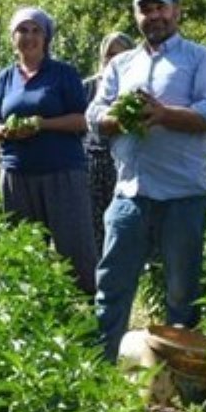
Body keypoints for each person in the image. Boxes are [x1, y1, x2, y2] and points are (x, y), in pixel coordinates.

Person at [88, 0, 206, 362]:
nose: (153, 15)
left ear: (176, 10)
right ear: (136, 15)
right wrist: (120, 117)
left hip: (183, 193)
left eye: (160, 7)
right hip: (130, 191)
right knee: (112, 284)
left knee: (182, 290)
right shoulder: (121, 64)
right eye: (145, 9)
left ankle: (178, 372)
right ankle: (102, 368)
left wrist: (164, 114)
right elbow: (95, 115)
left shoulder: (202, 58)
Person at [0, 6, 97, 294]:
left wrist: (41, 124)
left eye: (36, 30)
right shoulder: (5, 78)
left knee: (75, 252)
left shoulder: (63, 74)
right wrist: (8, 131)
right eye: (22, 30)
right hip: (16, 175)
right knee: (21, 253)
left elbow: (82, 120)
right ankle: (30, 322)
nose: (29, 36)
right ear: (13, 38)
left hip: (62, 173)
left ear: (46, 38)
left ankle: (87, 318)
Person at [82, 31, 133, 253]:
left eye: (122, 55)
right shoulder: (88, 87)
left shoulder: (136, 90)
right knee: (93, 222)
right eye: (109, 55)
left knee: (123, 223)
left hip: (124, 162)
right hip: (91, 160)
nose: (114, 60)